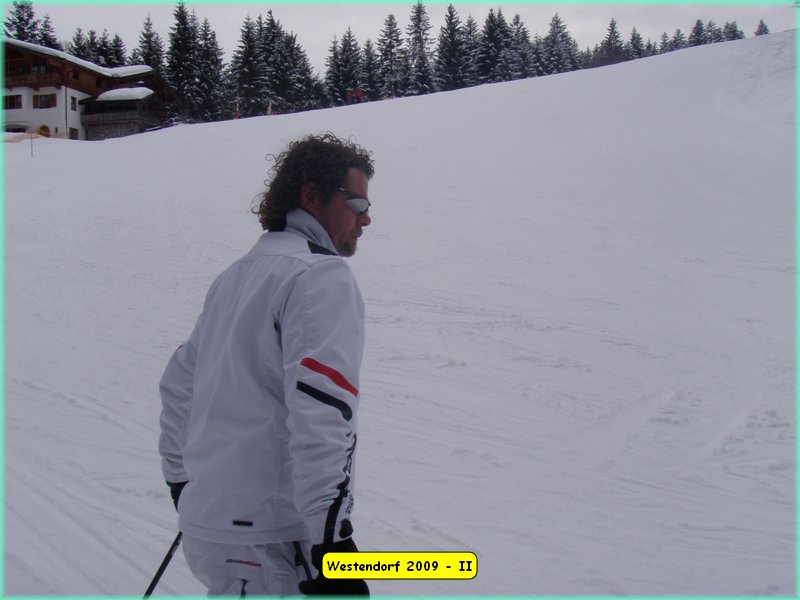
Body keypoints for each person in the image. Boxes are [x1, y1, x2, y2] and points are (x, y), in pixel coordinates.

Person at [158, 132, 374, 596]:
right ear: (311, 196)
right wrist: (333, 545)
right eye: (356, 203)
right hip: (277, 538)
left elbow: (178, 385)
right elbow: (322, 408)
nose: (366, 218)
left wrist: (183, 484)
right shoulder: (319, 275)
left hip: (213, 530)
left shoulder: (235, 276)